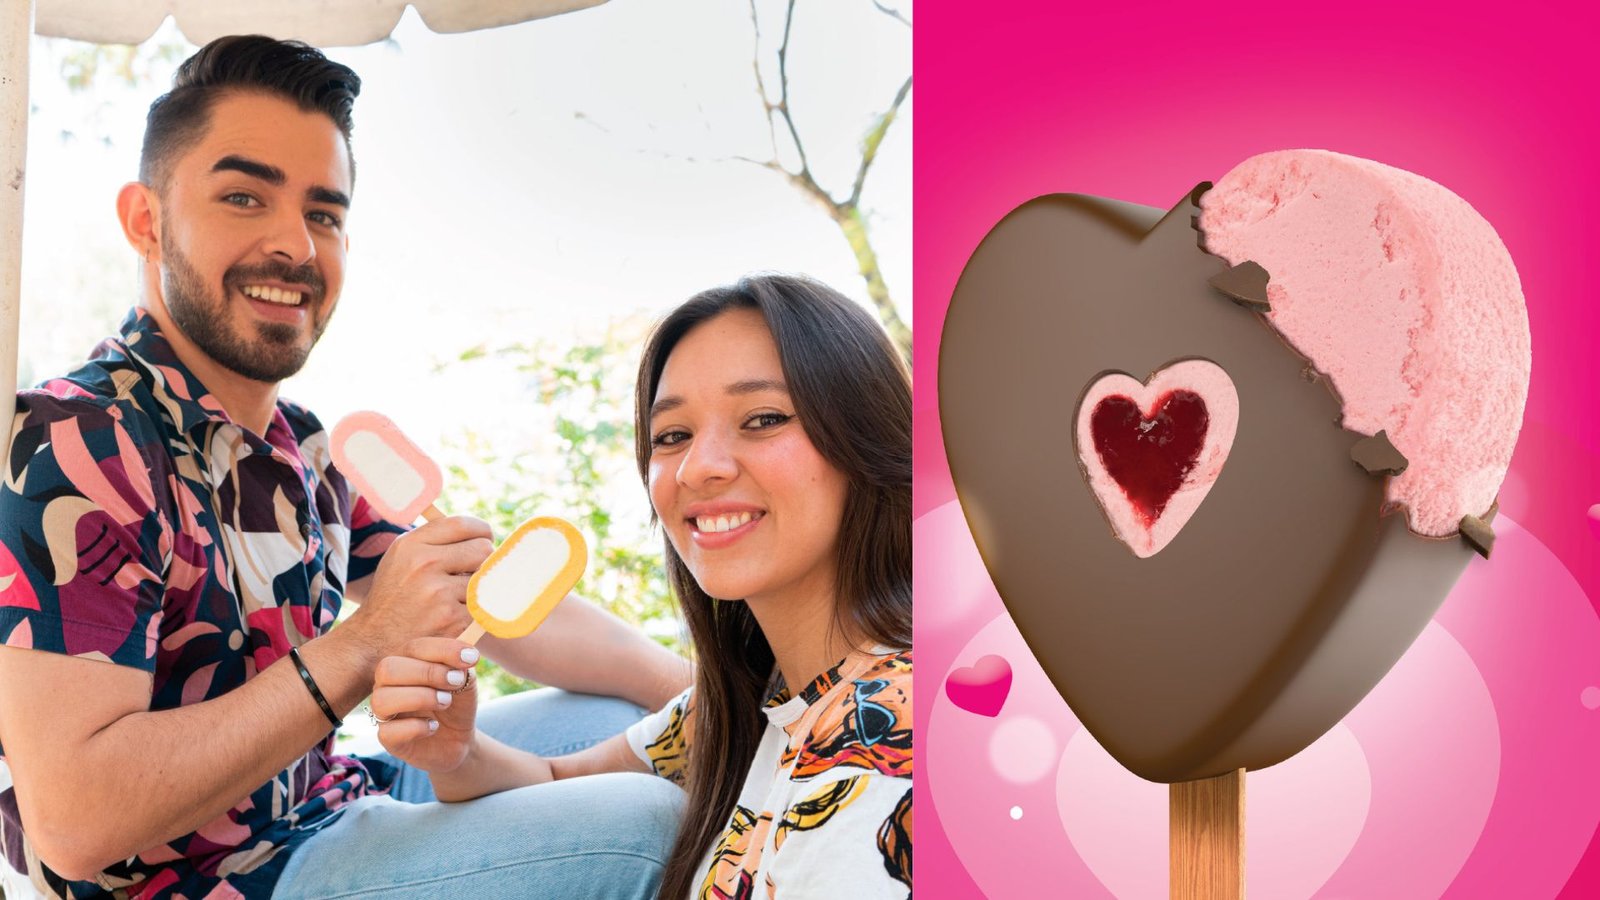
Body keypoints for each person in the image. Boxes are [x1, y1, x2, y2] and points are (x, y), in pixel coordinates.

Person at [0, 35, 688, 899]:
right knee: (644, 830)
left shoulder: (305, 448)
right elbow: (74, 822)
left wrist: (696, 691)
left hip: (333, 804)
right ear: (145, 220)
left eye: (323, 214)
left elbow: (486, 601)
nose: (295, 245)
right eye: (244, 197)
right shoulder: (76, 441)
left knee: (631, 724)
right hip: (216, 882)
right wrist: (363, 644)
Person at [371, 274, 914, 898]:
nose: (698, 468)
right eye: (673, 436)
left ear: (869, 438)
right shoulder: (753, 697)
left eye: (763, 419)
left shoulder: (881, 760)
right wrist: (459, 753)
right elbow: (553, 782)